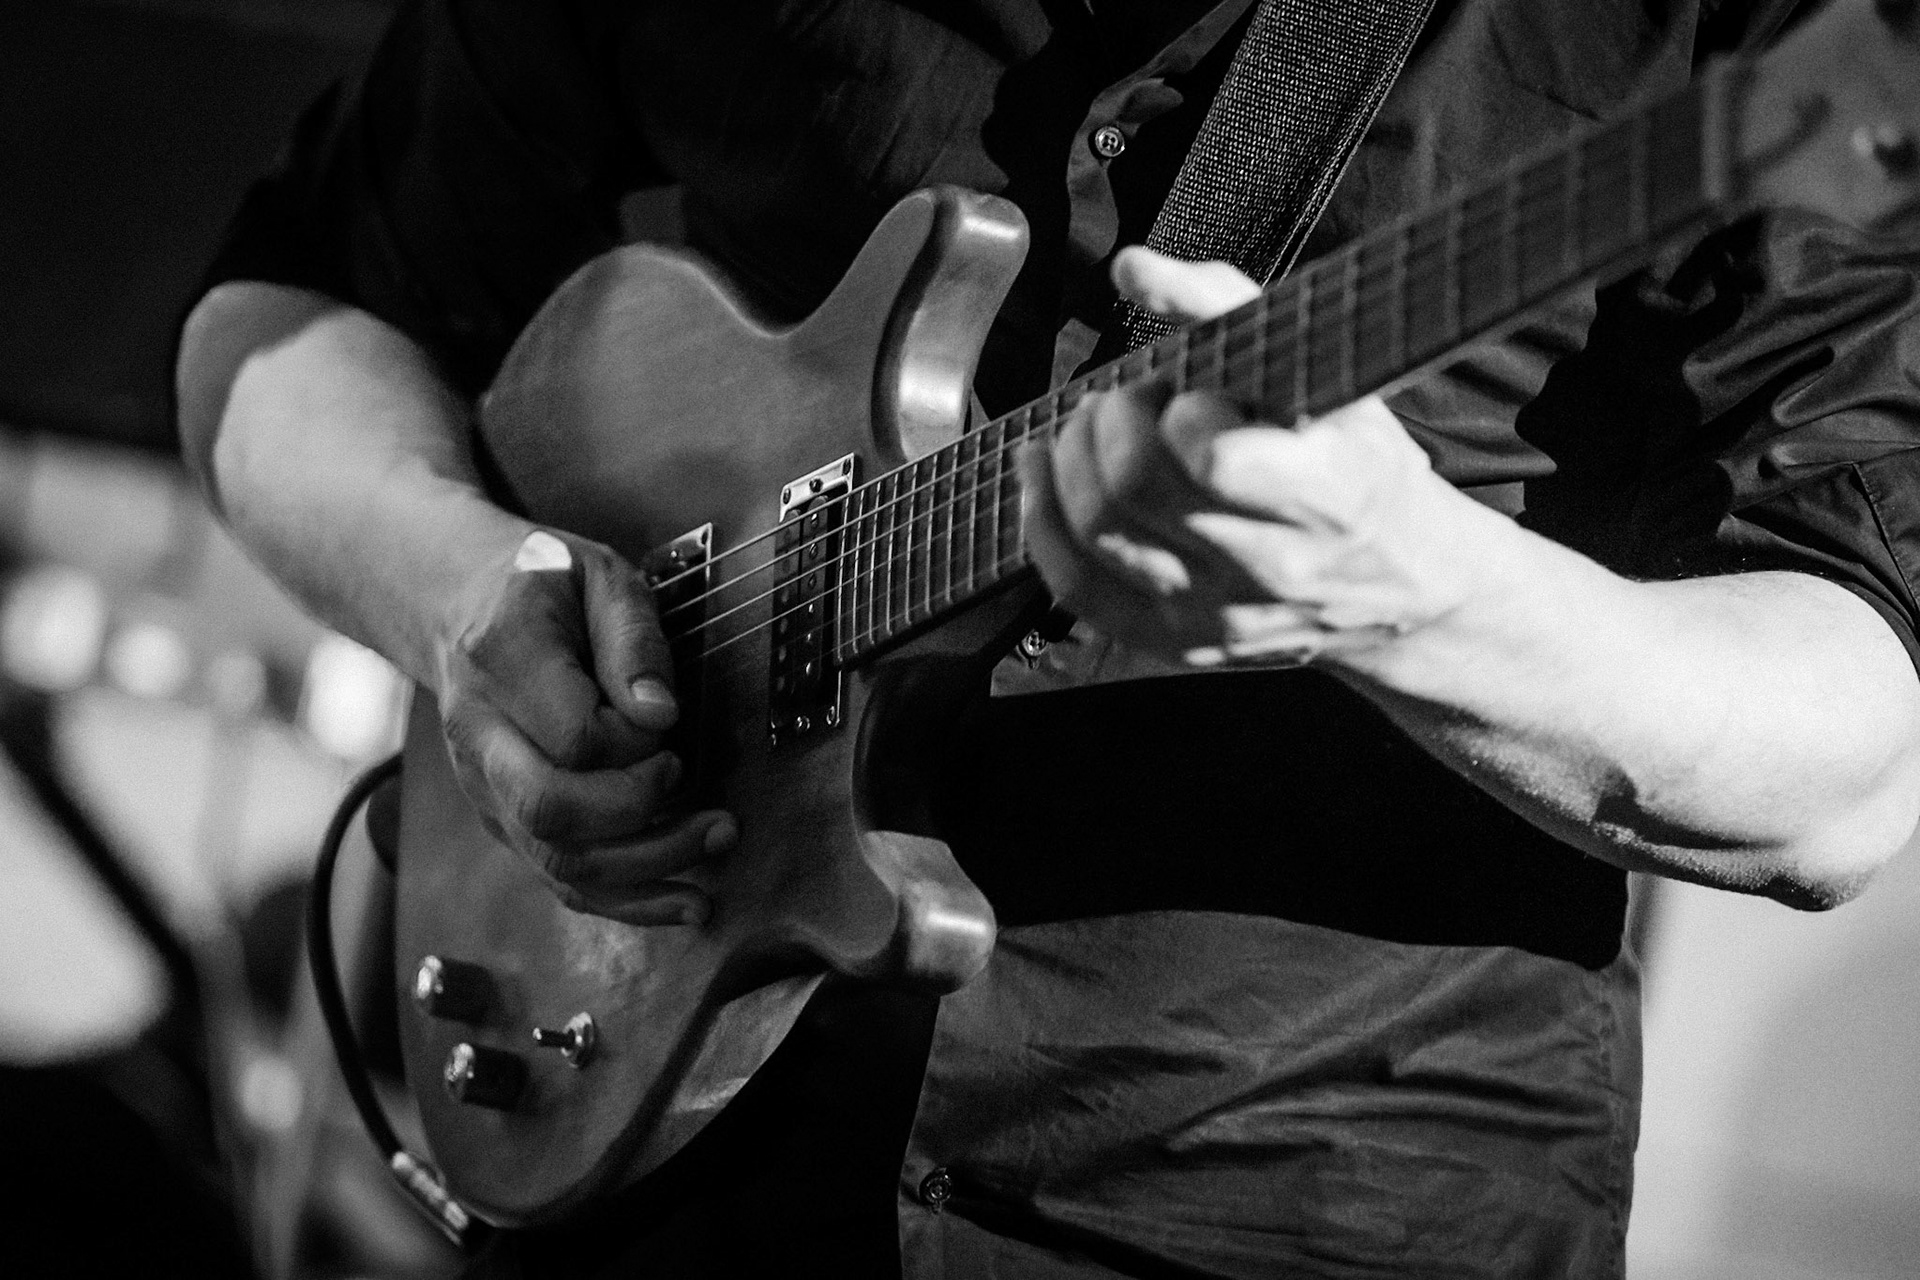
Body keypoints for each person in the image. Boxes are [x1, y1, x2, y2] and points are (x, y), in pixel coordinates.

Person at [174, 1, 1920, 1274]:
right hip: (674, 1167)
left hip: (1305, 1188)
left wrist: (1415, 593)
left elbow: (1849, 771)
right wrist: (464, 594)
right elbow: (285, 314)